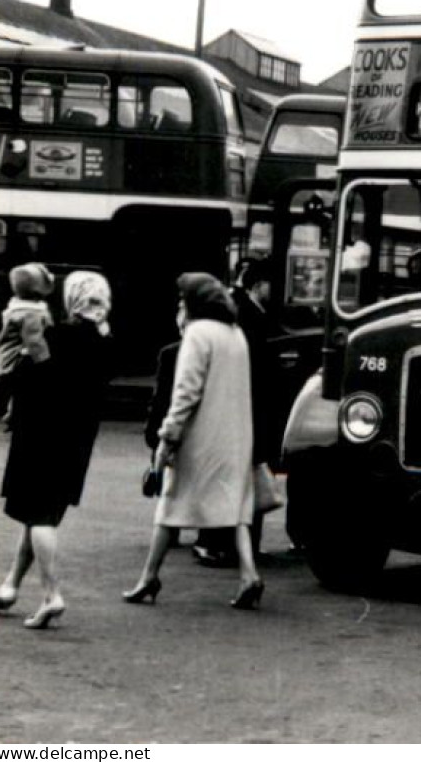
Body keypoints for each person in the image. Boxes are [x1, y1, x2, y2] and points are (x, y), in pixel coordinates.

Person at [125, 272, 264, 610]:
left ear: (194, 302)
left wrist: (168, 435)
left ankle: (149, 577)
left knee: (169, 504)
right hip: (234, 438)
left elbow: (186, 392)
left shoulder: (198, 334)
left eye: (182, 300)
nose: (179, 305)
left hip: (199, 438)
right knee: (235, 510)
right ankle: (249, 575)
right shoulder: (236, 334)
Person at [0, 271, 114, 629]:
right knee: (40, 515)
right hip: (77, 439)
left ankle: (51, 594)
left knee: (39, 517)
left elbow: (27, 376)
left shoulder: (58, 336)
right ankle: (10, 586)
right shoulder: (105, 342)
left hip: (42, 436)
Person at [194, 259, 284, 568]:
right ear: (259, 285)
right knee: (244, 477)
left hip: (240, 407)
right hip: (247, 409)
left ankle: (223, 544)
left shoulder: (240, 310)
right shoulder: (249, 315)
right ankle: (233, 548)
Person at [0, 262, 55, 425]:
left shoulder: (17, 308)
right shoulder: (31, 314)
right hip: (18, 359)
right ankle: (16, 413)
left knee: (18, 389)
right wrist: (46, 363)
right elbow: (34, 341)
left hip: (6, 358)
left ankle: (12, 411)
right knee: (29, 386)